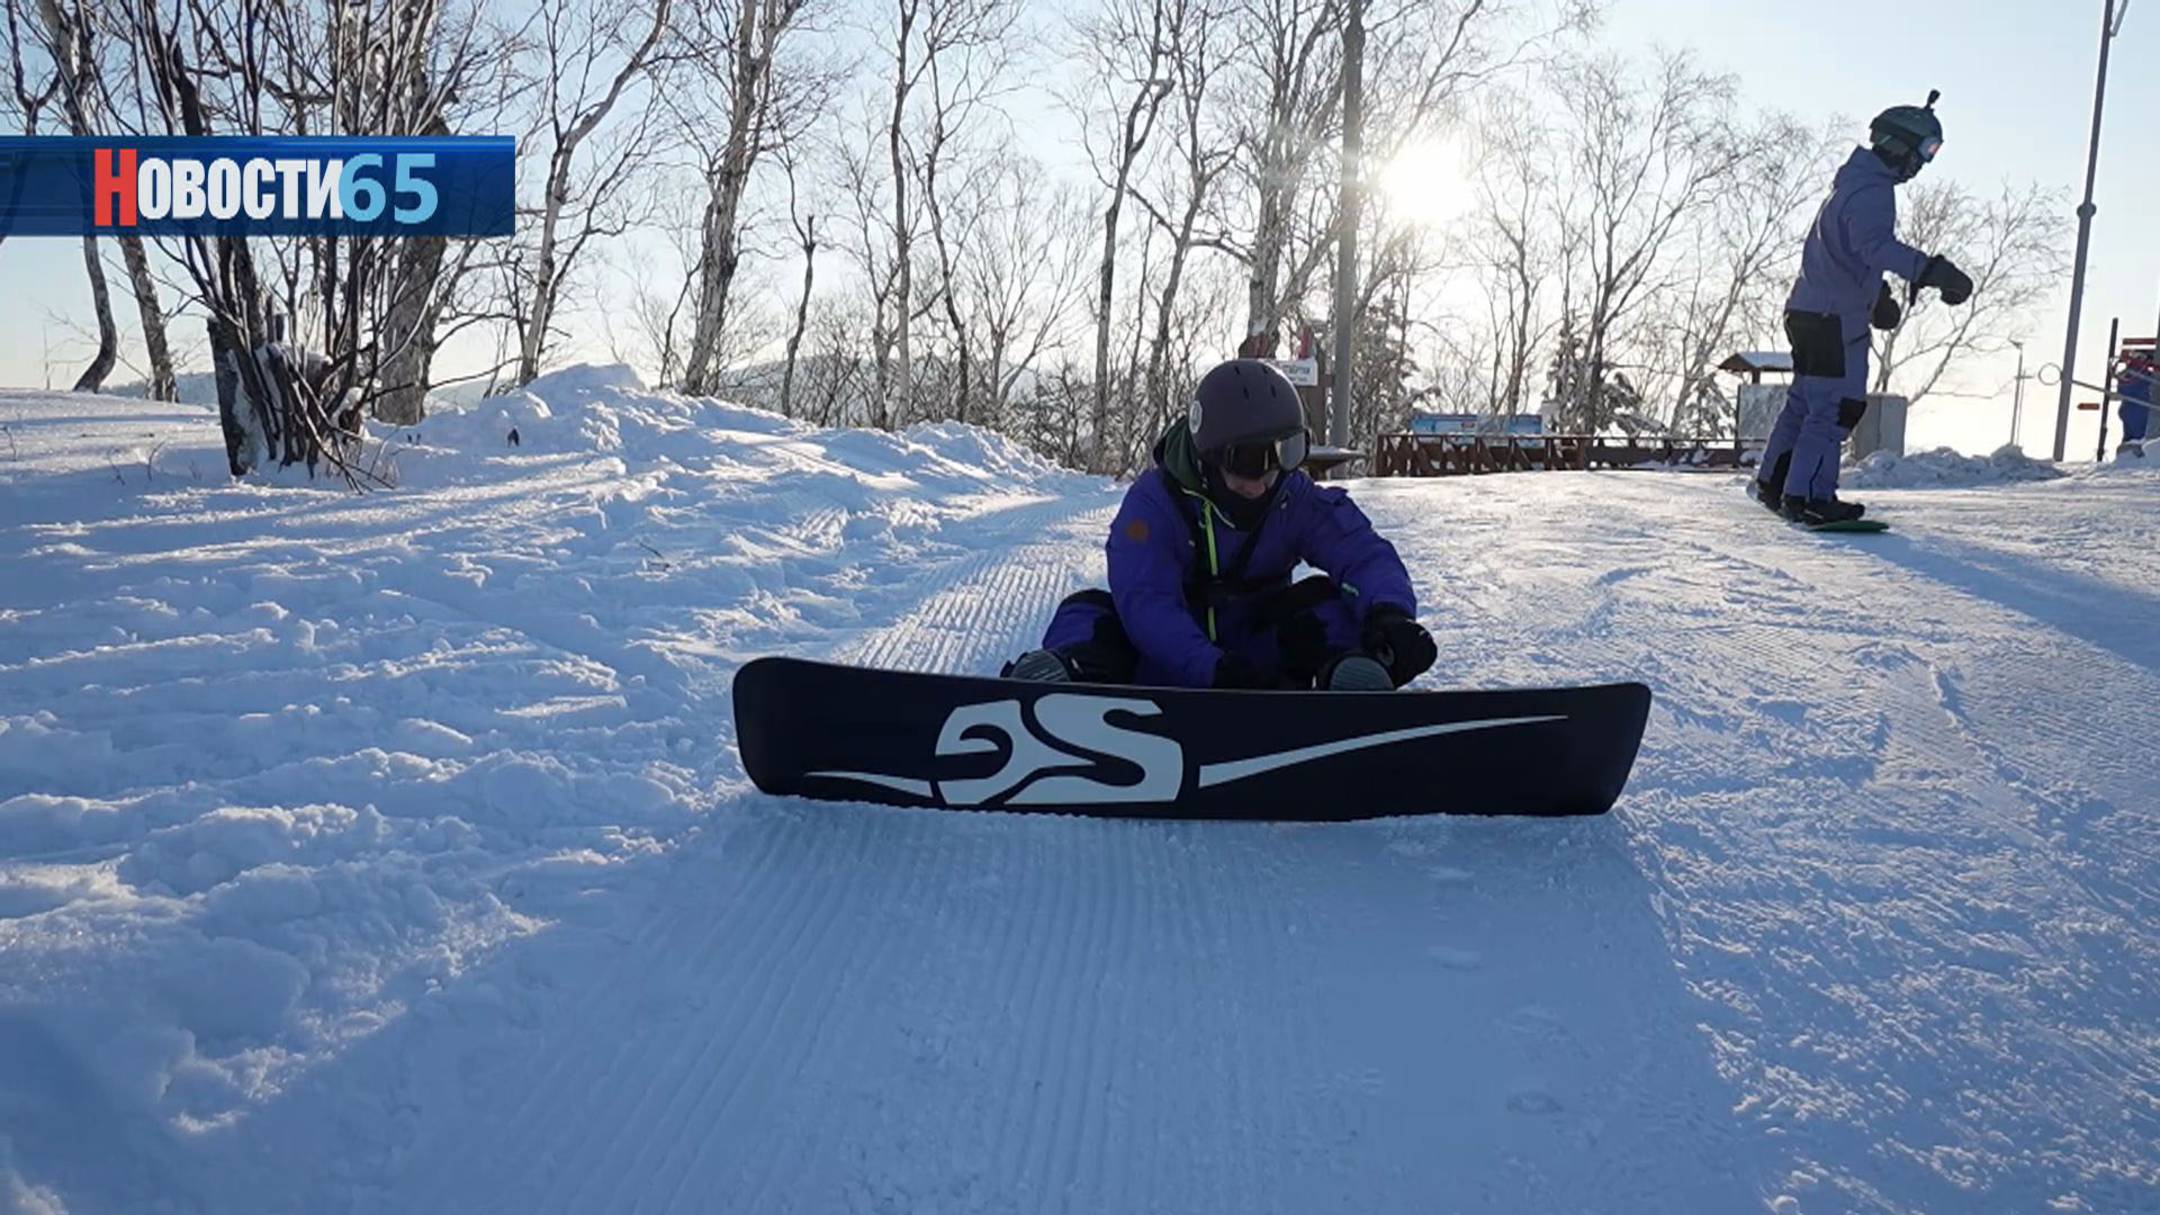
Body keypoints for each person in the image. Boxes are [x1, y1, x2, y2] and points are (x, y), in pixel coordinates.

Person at [1004, 358, 1437, 691]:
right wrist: (1212, 670)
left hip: (1258, 653)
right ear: (1209, 457)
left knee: (1332, 605)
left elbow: (1360, 551)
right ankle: (1057, 686)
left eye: (1281, 457)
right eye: (1248, 462)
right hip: (1161, 661)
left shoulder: (1290, 496)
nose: (1264, 480)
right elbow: (1147, 602)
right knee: (1088, 613)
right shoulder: (1153, 506)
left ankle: (1347, 685)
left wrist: (1392, 616)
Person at [1753, 90, 1974, 524]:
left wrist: (1879, 299)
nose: (1923, 163)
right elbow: (1875, 247)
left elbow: (1844, 254)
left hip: (1811, 311)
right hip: (1833, 319)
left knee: (1805, 402)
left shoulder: (1850, 186)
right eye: (1925, 151)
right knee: (1836, 408)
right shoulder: (1872, 191)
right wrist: (1932, 271)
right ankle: (1808, 497)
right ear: (1899, 145)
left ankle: (1774, 483)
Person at [2116, 349, 2153, 460]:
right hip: (2140, 412)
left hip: (2136, 411)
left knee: (2133, 437)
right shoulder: (2139, 375)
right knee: (2138, 436)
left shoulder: (2131, 375)